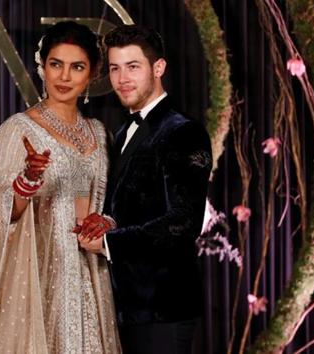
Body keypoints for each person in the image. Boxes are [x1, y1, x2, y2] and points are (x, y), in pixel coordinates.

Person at [0, 21, 121, 353]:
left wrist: (106, 223)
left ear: (91, 75)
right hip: (36, 279)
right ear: (41, 67)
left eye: (77, 67)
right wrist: (26, 182)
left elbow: (104, 203)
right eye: (55, 64)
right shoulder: (19, 130)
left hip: (89, 275)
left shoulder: (98, 132)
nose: (64, 77)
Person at [77, 25, 212, 353]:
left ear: (158, 68)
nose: (122, 79)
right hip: (126, 309)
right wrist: (108, 222)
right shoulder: (124, 133)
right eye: (114, 68)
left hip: (163, 309)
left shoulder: (183, 132)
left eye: (133, 66)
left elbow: (183, 222)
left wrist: (108, 242)